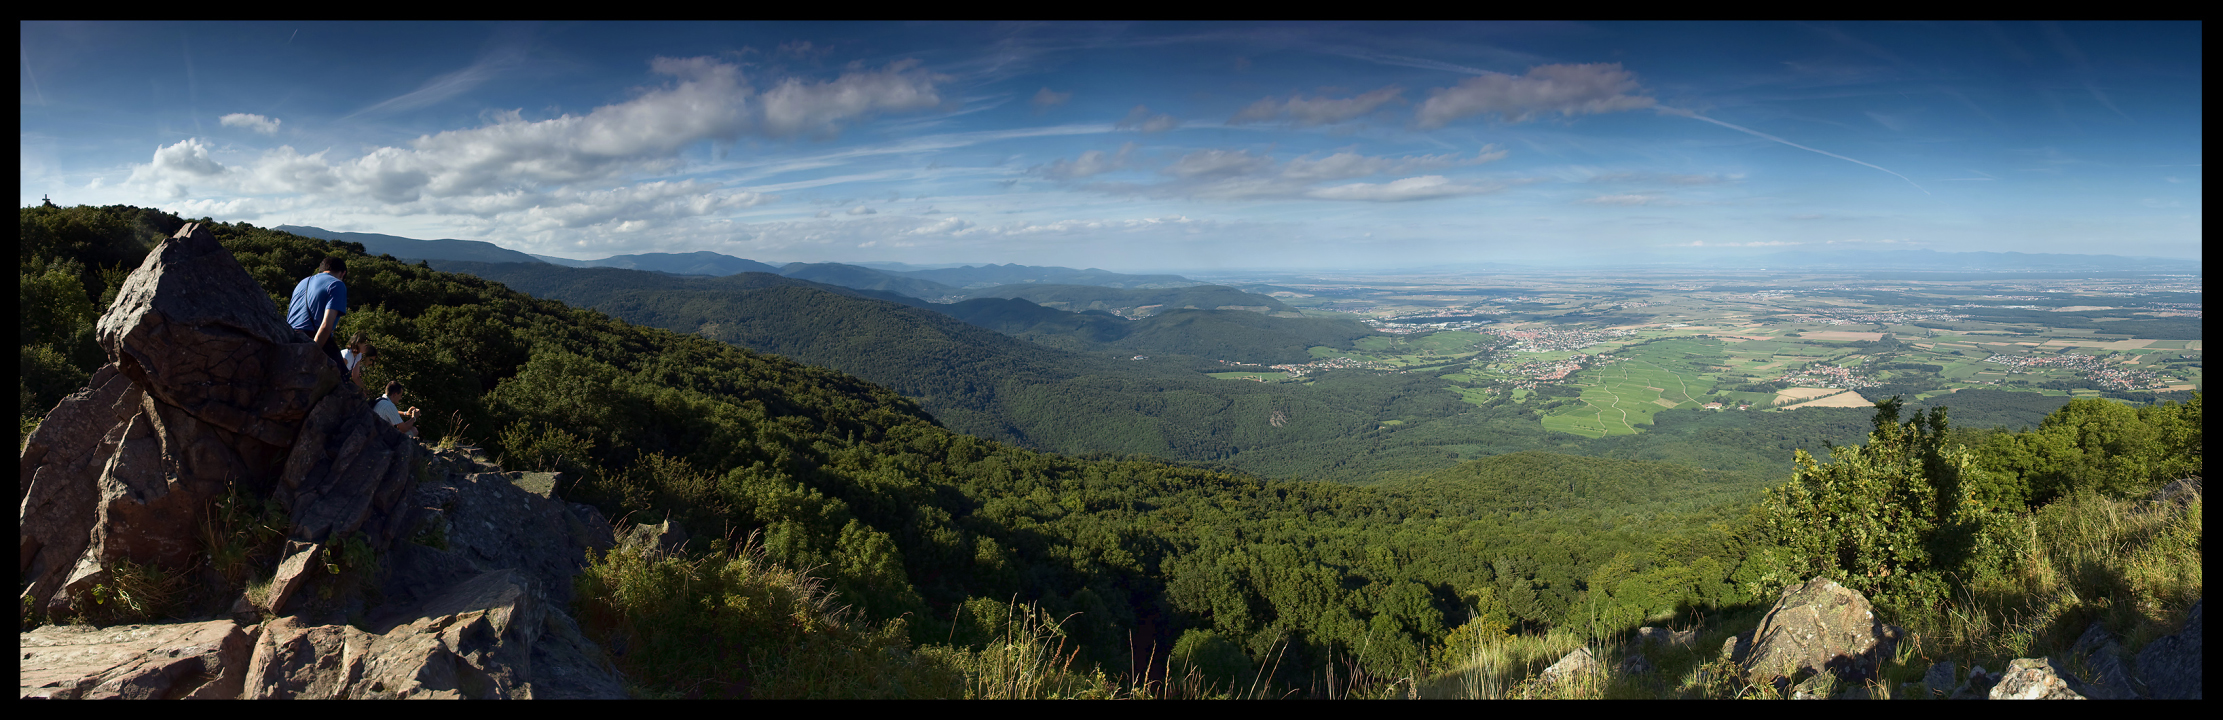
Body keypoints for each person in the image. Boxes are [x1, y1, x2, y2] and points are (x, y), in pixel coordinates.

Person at [287, 256, 350, 375]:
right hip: (312, 339)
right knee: (342, 380)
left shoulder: (303, 282)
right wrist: (312, 354)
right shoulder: (337, 285)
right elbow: (326, 326)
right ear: (343, 274)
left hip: (289, 337)